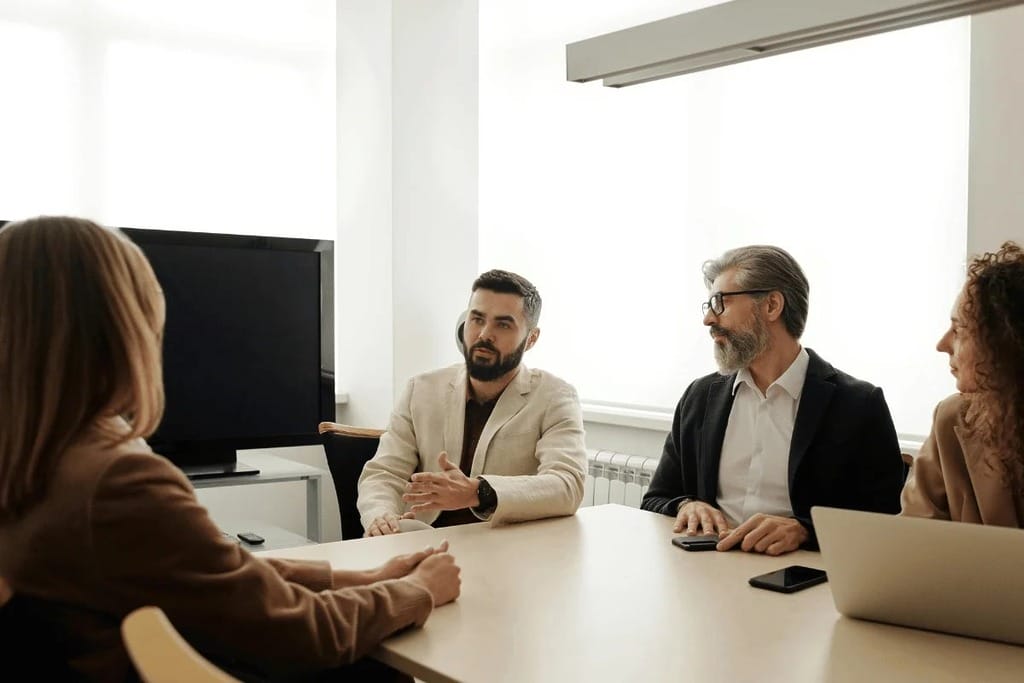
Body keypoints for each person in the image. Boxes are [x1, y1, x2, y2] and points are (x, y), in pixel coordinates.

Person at [0, 216, 461, 682]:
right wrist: (418, 591)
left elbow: (215, 577)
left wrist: (358, 577)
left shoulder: (33, 460)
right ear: (121, 326)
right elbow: (297, 631)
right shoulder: (117, 483)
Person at [641, 245, 905, 555]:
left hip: (801, 586)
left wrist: (805, 530)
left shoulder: (858, 404)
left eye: (721, 302)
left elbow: (886, 520)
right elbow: (655, 499)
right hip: (707, 573)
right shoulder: (699, 398)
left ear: (772, 305)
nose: (709, 319)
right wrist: (687, 505)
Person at [358, 269, 587, 536]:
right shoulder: (420, 390)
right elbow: (384, 473)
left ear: (531, 339)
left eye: (503, 324)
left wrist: (479, 492)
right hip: (423, 542)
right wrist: (381, 515)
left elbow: (567, 484)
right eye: (477, 319)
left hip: (507, 550)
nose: (484, 334)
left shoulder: (555, 397)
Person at [901, 242, 1024, 525]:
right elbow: (912, 537)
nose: (942, 344)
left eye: (959, 330)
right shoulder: (951, 419)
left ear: (1006, 341)